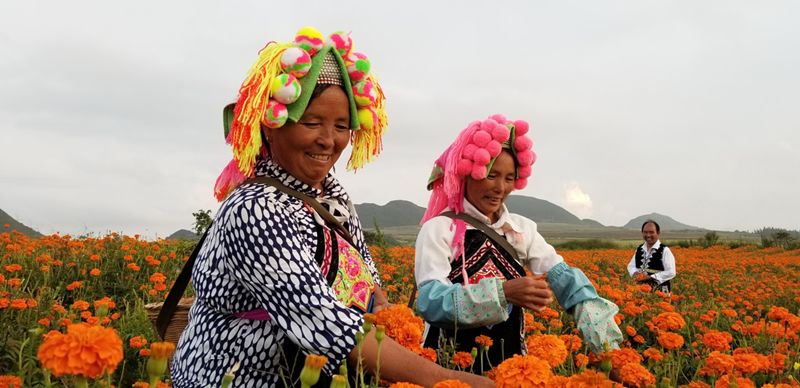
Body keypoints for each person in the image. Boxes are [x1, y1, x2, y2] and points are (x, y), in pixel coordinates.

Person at [171, 27, 492, 387]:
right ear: (272, 126)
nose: (328, 140)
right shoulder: (254, 209)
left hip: (316, 371)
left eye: (341, 126)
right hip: (240, 377)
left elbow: (364, 274)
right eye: (311, 123)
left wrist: (386, 313)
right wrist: (445, 380)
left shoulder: (332, 193)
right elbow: (323, 320)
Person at [414, 114, 624, 373]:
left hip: (512, 367)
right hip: (445, 368)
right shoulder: (439, 229)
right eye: (491, 175)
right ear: (468, 172)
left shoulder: (521, 230)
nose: (500, 188)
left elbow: (568, 282)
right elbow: (431, 302)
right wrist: (503, 293)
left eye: (509, 178)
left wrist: (608, 350)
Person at [627, 220, 676, 294]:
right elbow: (631, 266)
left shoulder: (665, 250)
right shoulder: (639, 249)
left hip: (659, 292)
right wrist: (635, 273)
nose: (648, 235)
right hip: (640, 291)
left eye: (651, 232)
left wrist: (652, 277)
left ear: (658, 233)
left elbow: (671, 272)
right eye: (645, 232)